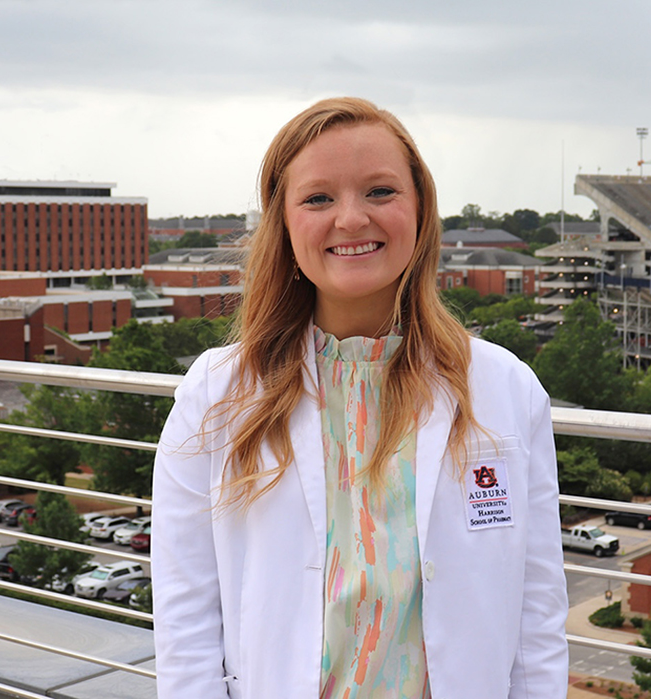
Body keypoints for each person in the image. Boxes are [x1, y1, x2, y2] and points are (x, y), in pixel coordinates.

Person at [152, 97, 568, 698]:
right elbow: (186, 620)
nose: (351, 219)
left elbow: (536, 614)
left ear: (420, 211)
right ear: (284, 224)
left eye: (380, 191)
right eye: (318, 198)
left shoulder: (505, 390)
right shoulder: (216, 397)